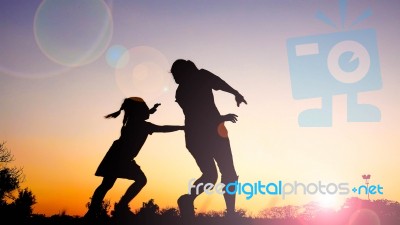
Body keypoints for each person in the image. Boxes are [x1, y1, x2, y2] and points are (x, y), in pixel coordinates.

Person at [170, 59, 247, 219]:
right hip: (201, 136)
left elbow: (219, 83)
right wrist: (221, 117)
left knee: (223, 174)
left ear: (185, 72)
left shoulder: (201, 76)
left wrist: (235, 93)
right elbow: (197, 116)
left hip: (211, 135)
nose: (175, 78)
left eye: (176, 74)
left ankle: (229, 213)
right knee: (215, 175)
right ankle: (190, 200)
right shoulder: (182, 92)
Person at [84, 97, 184, 219]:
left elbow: (145, 115)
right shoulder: (142, 125)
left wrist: (152, 110)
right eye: (145, 109)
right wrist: (182, 127)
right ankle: (120, 207)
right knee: (140, 180)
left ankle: (94, 211)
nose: (148, 112)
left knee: (106, 184)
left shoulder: (131, 121)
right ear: (140, 113)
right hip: (121, 158)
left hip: (116, 155)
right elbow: (163, 128)